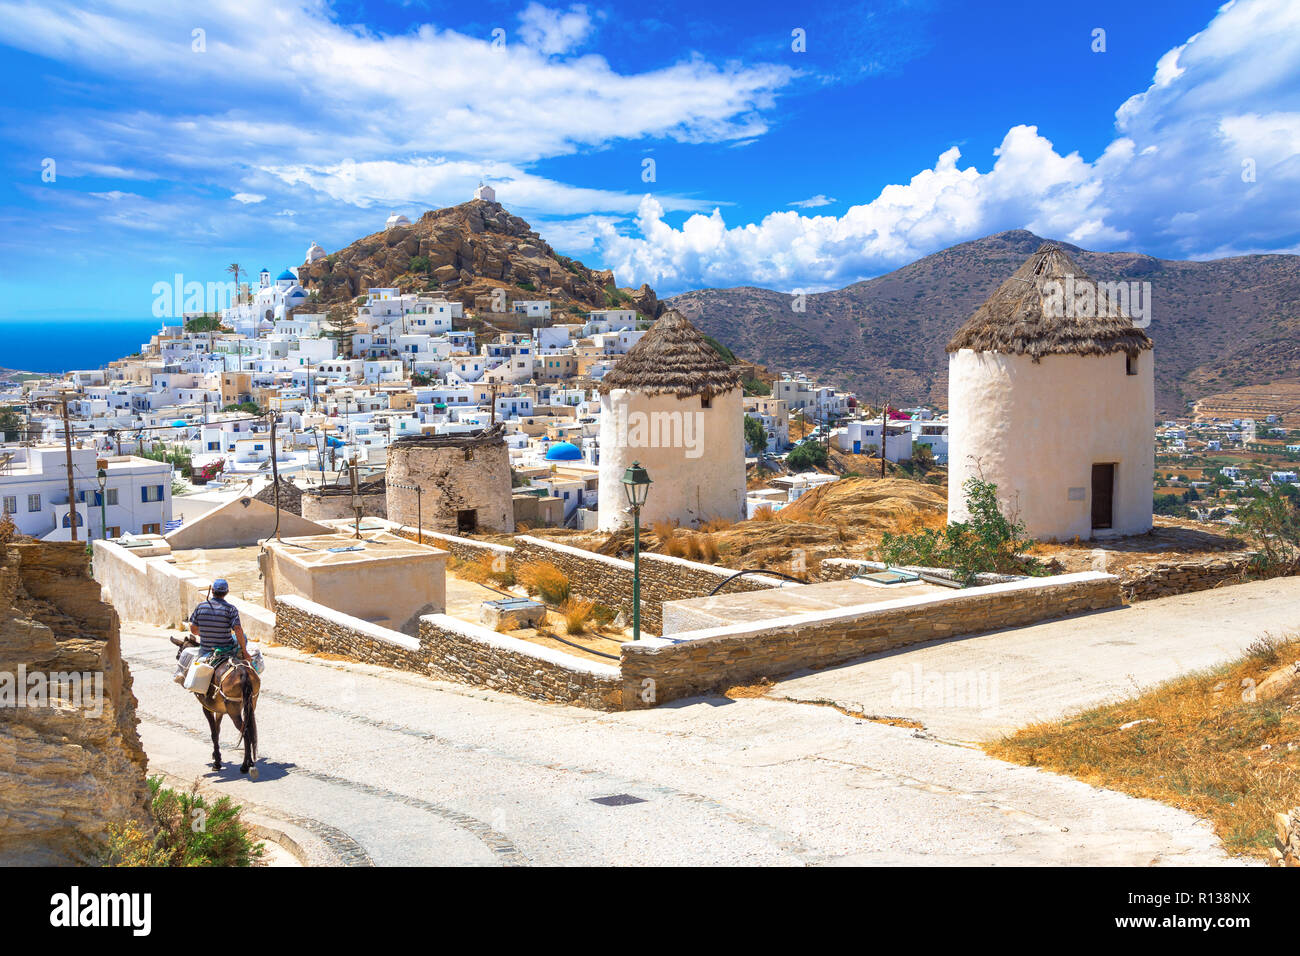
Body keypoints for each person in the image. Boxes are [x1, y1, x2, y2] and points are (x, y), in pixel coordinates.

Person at [189, 578, 251, 665]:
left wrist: (205, 632)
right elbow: (238, 630)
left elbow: (193, 630)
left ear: (212, 591)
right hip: (225, 649)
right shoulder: (231, 609)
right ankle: (241, 658)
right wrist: (245, 652)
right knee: (243, 636)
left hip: (205, 649)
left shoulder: (201, 606)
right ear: (227, 592)